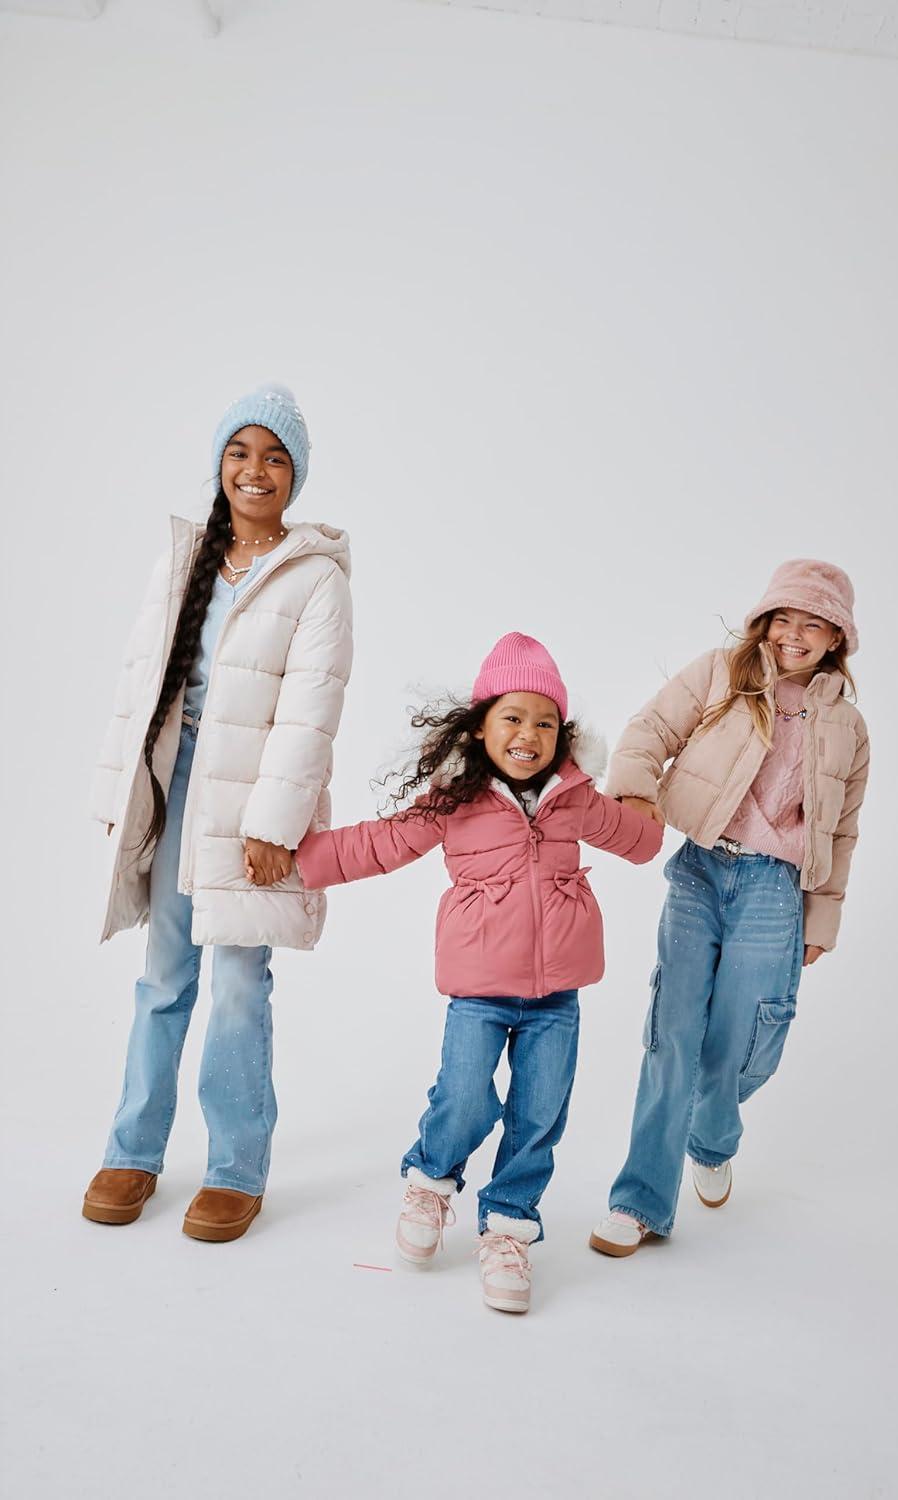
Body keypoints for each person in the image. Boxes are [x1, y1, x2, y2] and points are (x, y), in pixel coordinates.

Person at [296, 632, 663, 1311]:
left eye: (546, 723)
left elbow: (639, 843)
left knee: (539, 1114)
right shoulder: (455, 798)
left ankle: (508, 1228)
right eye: (513, 718)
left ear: (563, 735)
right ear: (481, 726)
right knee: (464, 1097)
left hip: (558, 994)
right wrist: (296, 857)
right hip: (479, 990)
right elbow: (383, 842)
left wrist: (650, 803)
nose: (529, 735)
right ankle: (430, 1183)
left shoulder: (576, 797)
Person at [83, 384, 353, 1242]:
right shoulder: (185, 559)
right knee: (164, 976)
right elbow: (138, 678)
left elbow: (311, 711)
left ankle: (236, 1167)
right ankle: (133, 1150)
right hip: (175, 782)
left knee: (238, 983)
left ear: (296, 474)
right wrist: (118, 792)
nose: (254, 469)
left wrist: (273, 825)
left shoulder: (316, 578)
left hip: (251, 798)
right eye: (239, 452)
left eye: (275, 456)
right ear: (219, 464)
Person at [589, 559, 869, 1257]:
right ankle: (639, 1201)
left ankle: (711, 1136)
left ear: (837, 636)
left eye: (812, 624)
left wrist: (822, 917)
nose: (793, 635)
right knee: (672, 1034)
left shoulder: (849, 726)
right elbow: (650, 729)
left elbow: (842, 830)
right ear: (763, 621)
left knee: (748, 1040)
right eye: (782, 618)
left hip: (777, 886)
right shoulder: (722, 672)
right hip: (701, 868)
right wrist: (634, 793)